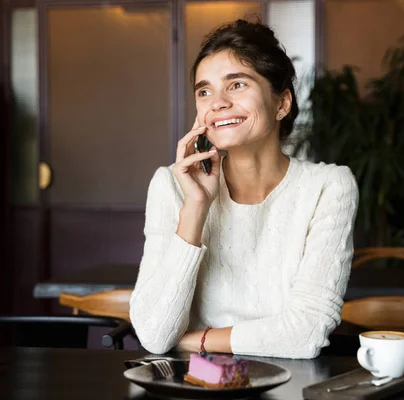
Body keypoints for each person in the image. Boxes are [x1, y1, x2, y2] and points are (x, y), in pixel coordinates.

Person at [129, 19, 359, 359]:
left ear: (282, 103)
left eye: (236, 85)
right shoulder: (172, 185)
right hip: (195, 386)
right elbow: (154, 334)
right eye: (204, 91)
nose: (217, 103)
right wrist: (196, 206)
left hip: (288, 386)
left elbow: (306, 333)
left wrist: (193, 340)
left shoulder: (328, 186)